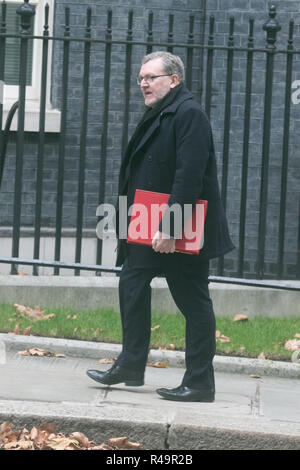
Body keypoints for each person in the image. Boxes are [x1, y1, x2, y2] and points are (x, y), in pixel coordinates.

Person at [87, 51, 234, 402]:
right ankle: (130, 364)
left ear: (173, 80)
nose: (143, 83)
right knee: (132, 282)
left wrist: (171, 227)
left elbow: (189, 175)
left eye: (151, 77)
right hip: (144, 220)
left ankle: (200, 382)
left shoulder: (189, 114)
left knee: (193, 302)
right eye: (141, 78)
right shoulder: (161, 112)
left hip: (174, 227)